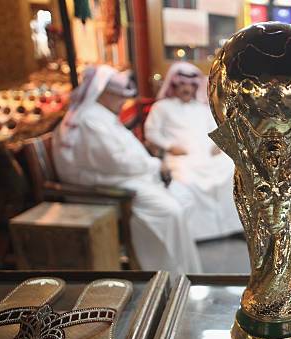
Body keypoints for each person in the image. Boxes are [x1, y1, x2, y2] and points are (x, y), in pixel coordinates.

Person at [53, 64, 202, 274]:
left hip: (116, 177)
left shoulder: (98, 115)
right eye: (118, 96)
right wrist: (155, 165)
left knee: (183, 197)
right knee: (170, 211)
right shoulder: (90, 120)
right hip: (102, 186)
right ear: (103, 93)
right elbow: (118, 162)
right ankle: (164, 274)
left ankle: (184, 271)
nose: (123, 102)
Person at [145, 62, 242, 241]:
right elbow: (152, 133)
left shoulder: (203, 109)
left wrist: (217, 146)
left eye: (190, 85)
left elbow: (216, 130)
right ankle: (199, 233)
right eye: (182, 85)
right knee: (187, 180)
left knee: (232, 171)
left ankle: (232, 227)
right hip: (181, 157)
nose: (186, 88)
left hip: (207, 155)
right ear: (174, 86)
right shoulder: (161, 107)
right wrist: (168, 146)